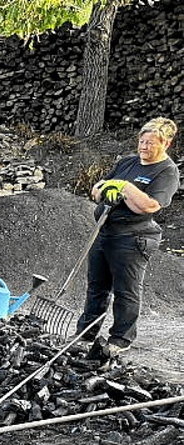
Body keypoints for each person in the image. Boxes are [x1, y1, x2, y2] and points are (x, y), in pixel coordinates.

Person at [78, 117, 179, 359]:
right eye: (142, 141)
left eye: (150, 143)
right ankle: (85, 334)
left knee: (126, 290)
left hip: (133, 238)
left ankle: (120, 338)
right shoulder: (127, 162)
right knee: (96, 287)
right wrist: (107, 190)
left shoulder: (167, 171)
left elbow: (149, 205)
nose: (144, 147)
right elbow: (96, 190)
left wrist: (124, 187)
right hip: (105, 231)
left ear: (165, 144)